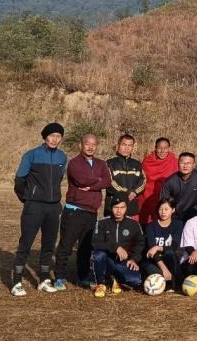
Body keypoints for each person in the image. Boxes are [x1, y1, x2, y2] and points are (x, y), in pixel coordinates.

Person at [11, 122, 68, 296]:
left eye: (58, 136)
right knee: (26, 244)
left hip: (53, 208)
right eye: (51, 136)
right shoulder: (32, 155)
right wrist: (28, 199)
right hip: (34, 206)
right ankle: (17, 282)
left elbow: (58, 181)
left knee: (49, 245)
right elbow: (20, 181)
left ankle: (43, 279)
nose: (55, 139)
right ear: (45, 137)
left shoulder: (62, 157)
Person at [54, 133, 111, 290]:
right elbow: (81, 180)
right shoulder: (74, 163)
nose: (90, 146)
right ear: (81, 145)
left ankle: (82, 276)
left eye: (94, 144)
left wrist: (94, 184)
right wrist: (98, 181)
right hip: (75, 210)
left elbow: (107, 180)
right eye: (87, 143)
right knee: (66, 245)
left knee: (86, 247)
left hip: (91, 212)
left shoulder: (101, 163)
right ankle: (59, 276)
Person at [91, 198, 144, 297]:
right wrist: (116, 247)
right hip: (106, 259)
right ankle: (101, 283)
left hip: (123, 261)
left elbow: (140, 244)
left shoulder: (134, 224)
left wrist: (134, 259)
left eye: (122, 207)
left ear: (126, 208)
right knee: (99, 255)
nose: (119, 211)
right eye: (116, 207)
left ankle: (114, 279)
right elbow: (95, 243)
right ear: (111, 208)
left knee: (135, 281)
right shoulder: (102, 223)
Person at [142, 197, 184, 291]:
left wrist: (158, 247)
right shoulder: (151, 226)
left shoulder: (178, 224)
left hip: (170, 260)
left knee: (170, 253)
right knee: (156, 277)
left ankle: (173, 282)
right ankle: (167, 280)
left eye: (166, 209)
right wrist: (164, 269)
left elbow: (174, 246)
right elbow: (151, 251)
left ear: (173, 210)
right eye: (160, 209)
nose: (163, 212)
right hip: (154, 260)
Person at [138, 137, 178, 224]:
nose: (162, 151)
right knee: (146, 223)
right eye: (159, 148)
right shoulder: (148, 161)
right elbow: (141, 179)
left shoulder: (174, 161)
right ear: (155, 148)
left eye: (165, 148)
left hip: (166, 196)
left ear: (169, 149)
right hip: (148, 196)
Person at [160, 152, 197, 222]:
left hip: (195, 217)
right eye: (182, 163)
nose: (185, 166)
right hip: (175, 217)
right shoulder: (169, 181)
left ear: (194, 165)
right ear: (178, 164)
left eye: (189, 163)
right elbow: (164, 203)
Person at [104, 134, 145, 219]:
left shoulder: (137, 164)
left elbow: (143, 182)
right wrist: (126, 194)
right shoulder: (109, 163)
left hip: (131, 208)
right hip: (113, 207)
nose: (127, 148)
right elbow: (110, 182)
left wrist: (134, 192)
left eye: (130, 145)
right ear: (118, 145)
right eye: (124, 145)